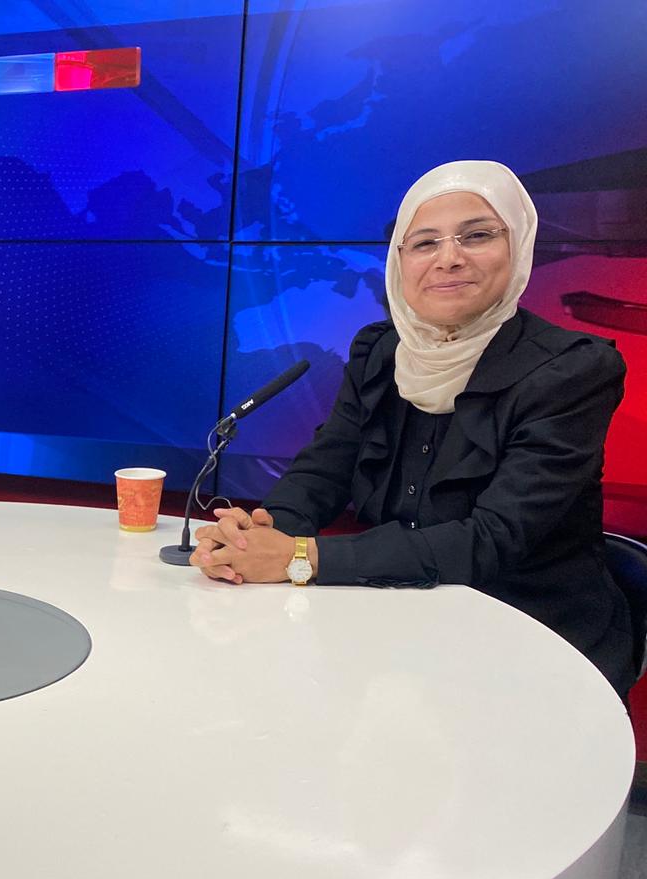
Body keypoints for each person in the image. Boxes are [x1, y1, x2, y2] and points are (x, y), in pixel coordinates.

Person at [190, 159, 635, 700]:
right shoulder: (380, 350)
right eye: (424, 243)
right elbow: (326, 467)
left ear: (518, 247)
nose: (449, 258)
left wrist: (297, 556)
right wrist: (258, 532)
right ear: (399, 261)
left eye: (477, 236)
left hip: (533, 637)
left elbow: (493, 539)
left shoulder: (572, 371)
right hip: (396, 616)